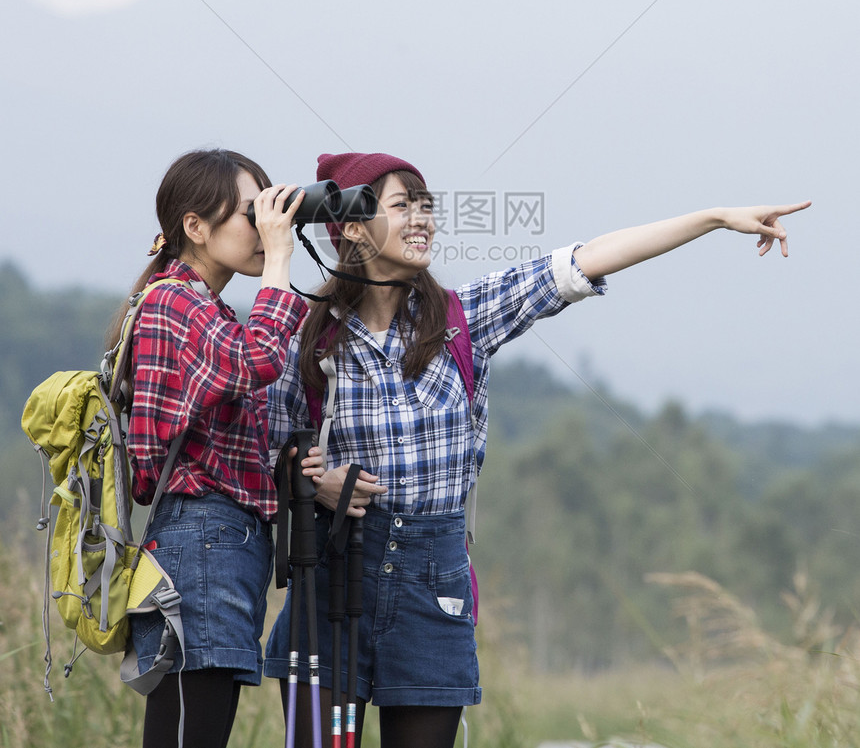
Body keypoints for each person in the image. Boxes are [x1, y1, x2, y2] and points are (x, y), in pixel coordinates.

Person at [264, 150, 810, 748]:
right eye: (401, 206)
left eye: (427, 206)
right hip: (336, 574)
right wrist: (315, 481)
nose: (422, 220)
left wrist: (714, 217)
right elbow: (271, 448)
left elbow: (584, 260)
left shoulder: (461, 318)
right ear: (351, 226)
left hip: (431, 585)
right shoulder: (304, 332)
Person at [113, 148, 310, 748]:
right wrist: (279, 258)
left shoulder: (212, 310)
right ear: (195, 228)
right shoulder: (175, 301)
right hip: (199, 542)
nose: (264, 227)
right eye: (251, 213)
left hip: (224, 547)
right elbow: (258, 360)